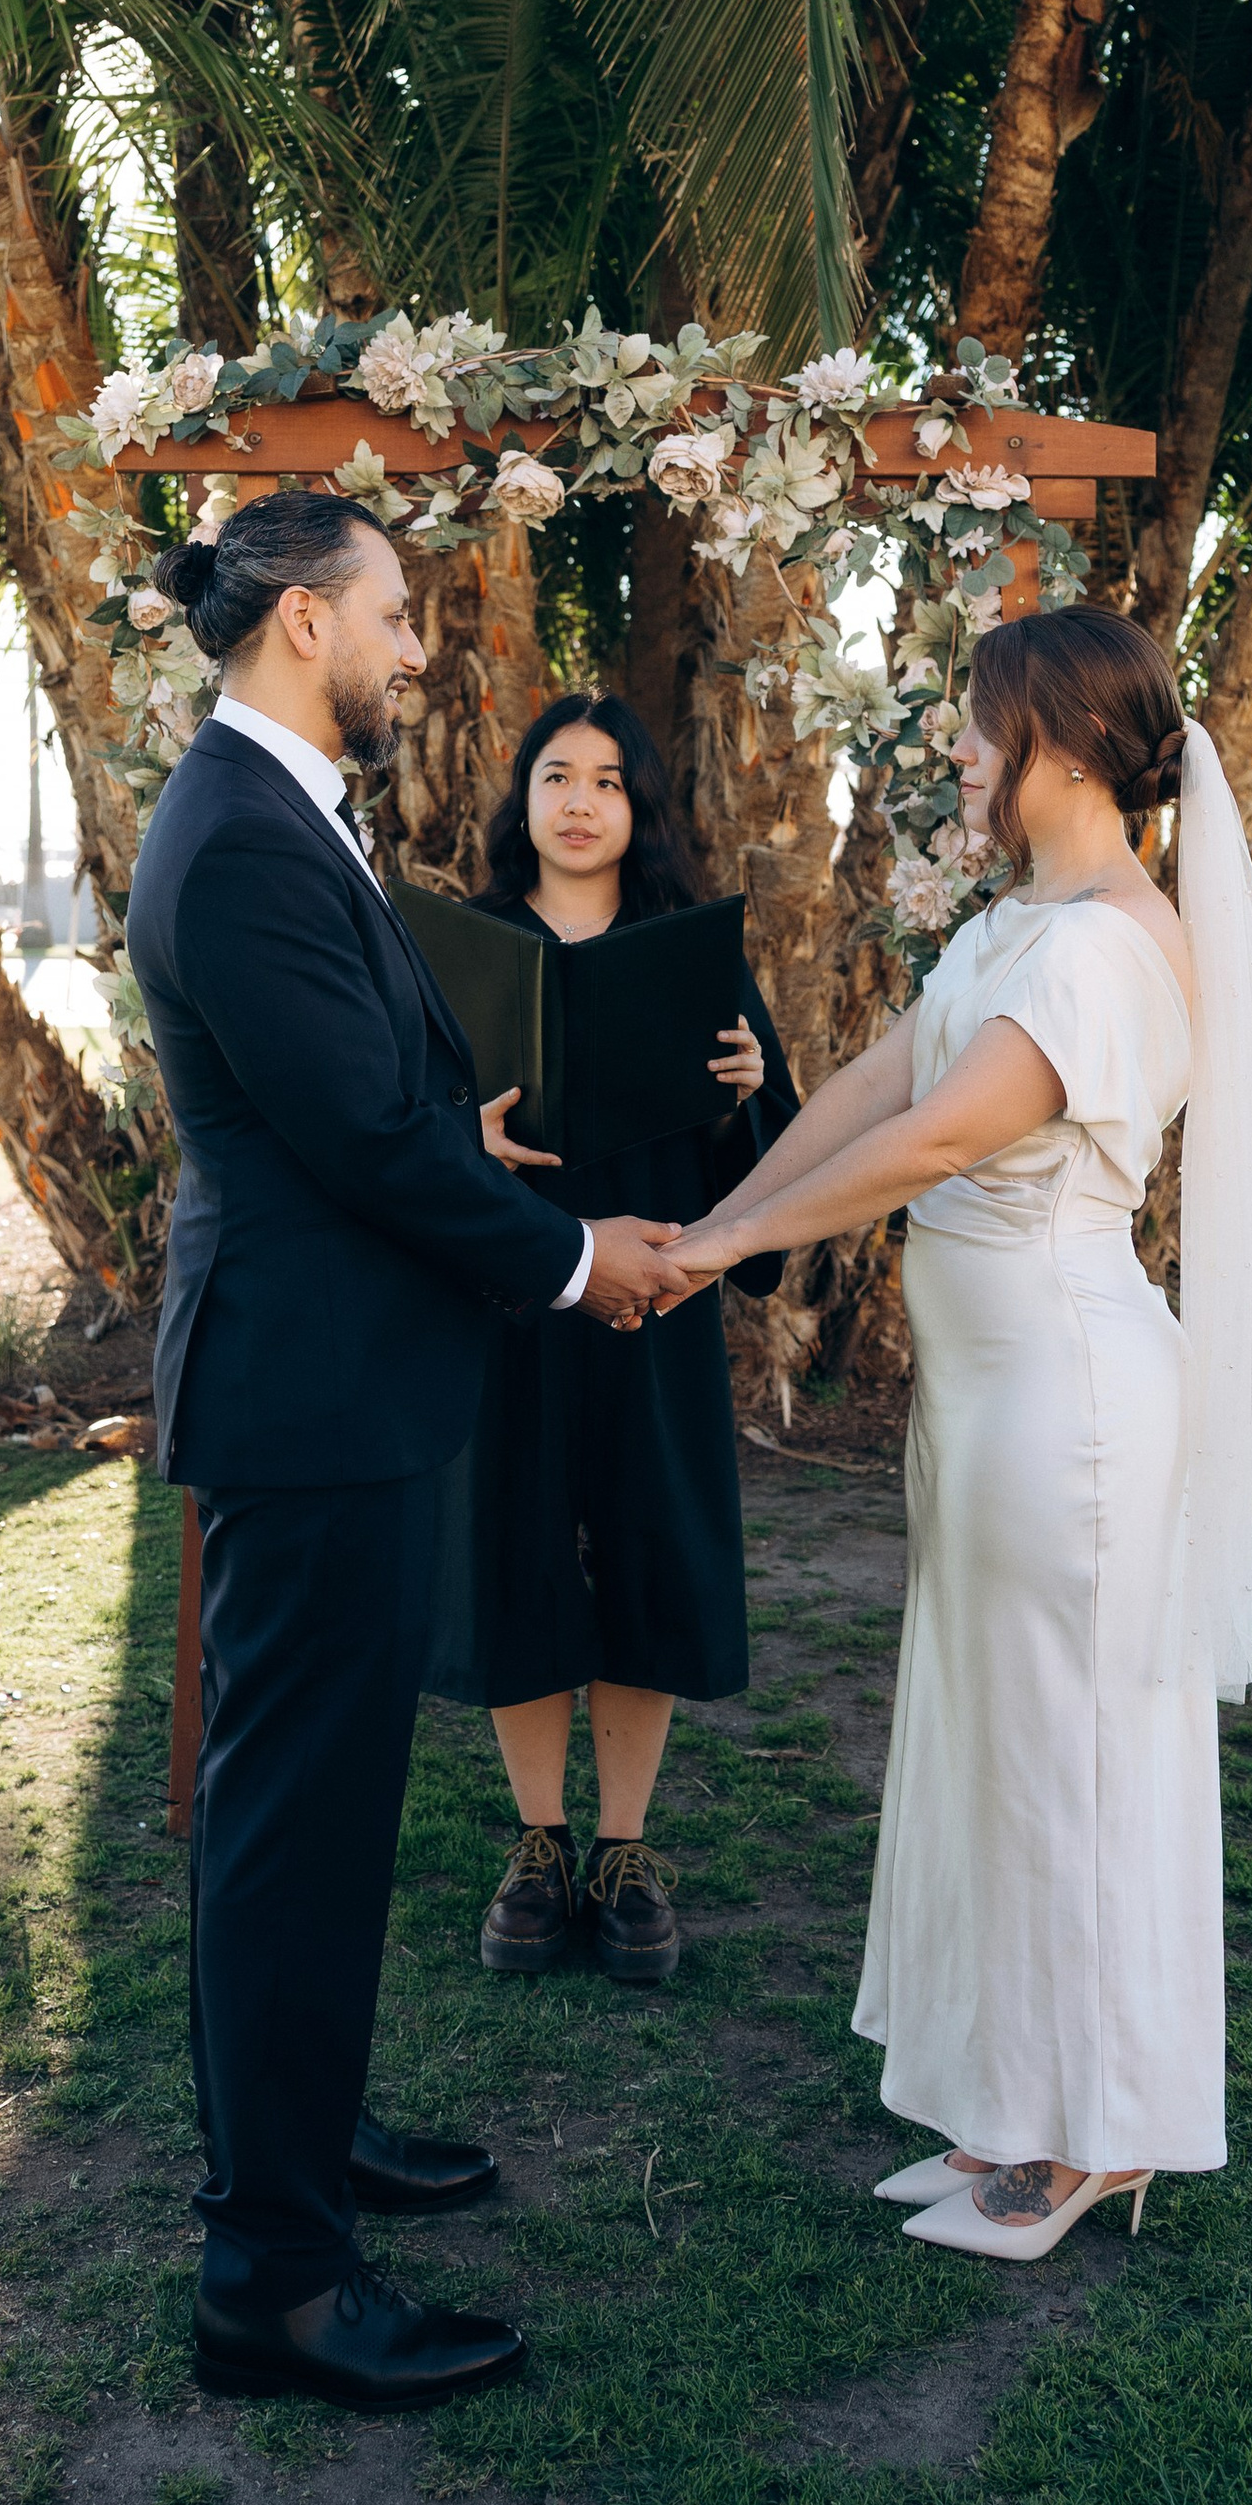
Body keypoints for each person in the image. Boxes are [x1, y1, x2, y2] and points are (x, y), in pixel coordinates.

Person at [653, 610, 1252, 2263]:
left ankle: (1102, 2136)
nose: (957, 754)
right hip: (993, 1402)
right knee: (1005, 1752)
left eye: (977, 729)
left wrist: (717, 1257)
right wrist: (703, 1227)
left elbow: (947, 1138)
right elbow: (869, 1094)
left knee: (1077, 1766)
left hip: (1074, 1406)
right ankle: (1015, 2108)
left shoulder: (1115, 942)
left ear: (1055, 743)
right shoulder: (1014, 924)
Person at [123, 496, 681, 2411]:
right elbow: (357, 1143)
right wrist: (571, 1254)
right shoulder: (241, 836)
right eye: (394, 614)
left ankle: (303, 2144)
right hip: (312, 1394)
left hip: (337, 1376)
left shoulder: (273, 809)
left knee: (320, 1815)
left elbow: (371, 1103)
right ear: (298, 624)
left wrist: (472, 1140)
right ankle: (273, 2278)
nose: (419, 649)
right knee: (289, 1825)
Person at [428, 693, 799, 1986]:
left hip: (655, 1310)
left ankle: (625, 1847)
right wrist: (456, 1131)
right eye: (555, 775)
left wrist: (753, 1096)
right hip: (509, 1314)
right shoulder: (463, 949)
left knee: (647, 1563)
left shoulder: (685, 956)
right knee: (516, 1561)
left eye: (607, 780)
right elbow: (404, 1131)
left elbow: (773, 1167)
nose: (579, 800)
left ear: (640, 810)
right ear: (521, 799)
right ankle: (538, 1842)